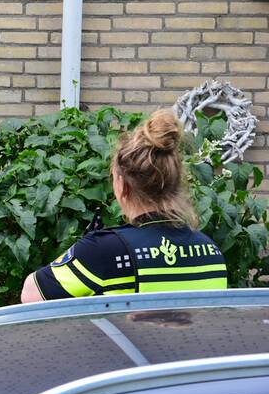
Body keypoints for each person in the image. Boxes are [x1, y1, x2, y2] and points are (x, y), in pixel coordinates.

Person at [21, 109, 227, 303]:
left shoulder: (105, 250)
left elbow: (31, 295)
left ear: (121, 185)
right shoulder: (210, 251)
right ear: (176, 183)